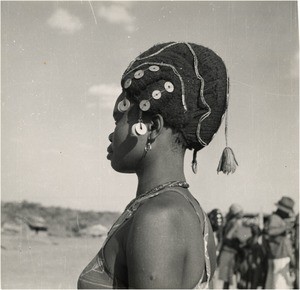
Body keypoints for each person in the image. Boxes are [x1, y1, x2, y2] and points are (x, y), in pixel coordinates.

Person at [78, 42, 234, 288]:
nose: (112, 134)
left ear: (152, 127)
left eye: (119, 119)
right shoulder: (185, 211)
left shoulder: (159, 217)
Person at [264, 196, 295, 289]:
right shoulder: (275, 218)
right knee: (280, 284)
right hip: (279, 255)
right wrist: (286, 227)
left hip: (277, 255)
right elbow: (270, 232)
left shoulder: (276, 218)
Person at [218, 204, 244, 289]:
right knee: (229, 278)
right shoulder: (235, 222)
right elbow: (228, 237)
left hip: (228, 252)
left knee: (227, 279)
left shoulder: (229, 222)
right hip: (229, 252)